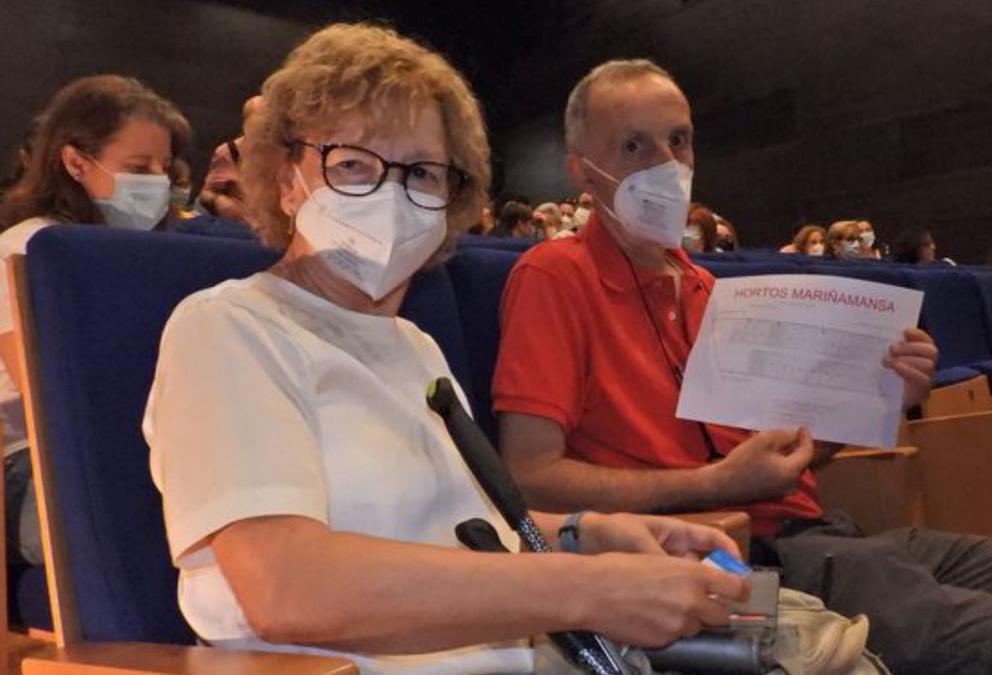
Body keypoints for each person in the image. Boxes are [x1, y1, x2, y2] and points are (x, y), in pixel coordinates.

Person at [145, 25, 746, 675]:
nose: (391, 194)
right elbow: (285, 586)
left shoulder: (414, 345)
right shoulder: (229, 327)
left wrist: (586, 532)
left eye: (423, 174)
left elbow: (455, 533)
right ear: (288, 179)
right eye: (353, 166)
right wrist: (590, 586)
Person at [492, 58, 992, 675]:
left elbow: (784, 459)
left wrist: (881, 395)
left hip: (830, 536)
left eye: (679, 141)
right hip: (739, 562)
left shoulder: (708, 288)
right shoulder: (554, 276)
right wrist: (715, 485)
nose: (666, 165)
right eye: (634, 146)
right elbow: (530, 479)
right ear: (584, 170)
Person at [0, 74, 189, 568]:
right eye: (138, 167)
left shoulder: (161, 255)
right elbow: (47, 398)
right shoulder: (26, 248)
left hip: (144, 449)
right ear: (75, 161)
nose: (158, 183)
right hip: (36, 463)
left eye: (164, 169)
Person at [196, 95, 263, 222]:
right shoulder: (229, 151)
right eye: (257, 121)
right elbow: (204, 194)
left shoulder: (288, 153)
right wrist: (219, 202)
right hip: (239, 227)